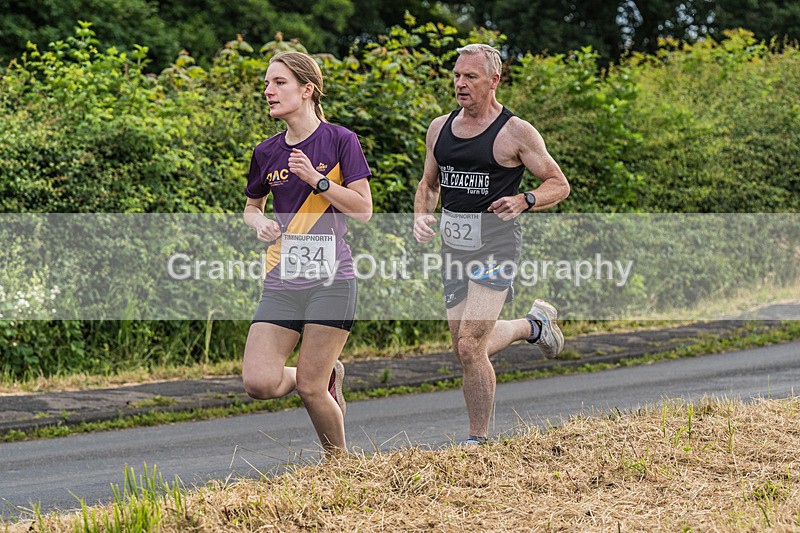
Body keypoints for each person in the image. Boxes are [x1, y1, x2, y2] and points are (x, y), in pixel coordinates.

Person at [413, 44, 570, 445]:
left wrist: (524, 200)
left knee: (469, 346)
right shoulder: (439, 128)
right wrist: (422, 215)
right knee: (465, 345)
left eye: (471, 77)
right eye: (456, 76)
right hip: (454, 250)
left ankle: (477, 440)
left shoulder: (515, 132)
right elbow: (429, 184)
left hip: (497, 248)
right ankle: (533, 326)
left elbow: (558, 183)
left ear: (494, 81)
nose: (460, 84)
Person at [242, 51, 372, 456]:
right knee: (259, 383)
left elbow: (363, 210)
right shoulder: (266, 152)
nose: (268, 91)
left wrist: (317, 181)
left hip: (332, 280)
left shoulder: (340, 140)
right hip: (283, 277)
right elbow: (251, 206)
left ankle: (340, 468)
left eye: (279, 82)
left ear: (307, 89)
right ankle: (324, 373)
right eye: (267, 83)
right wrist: (258, 223)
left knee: (312, 390)